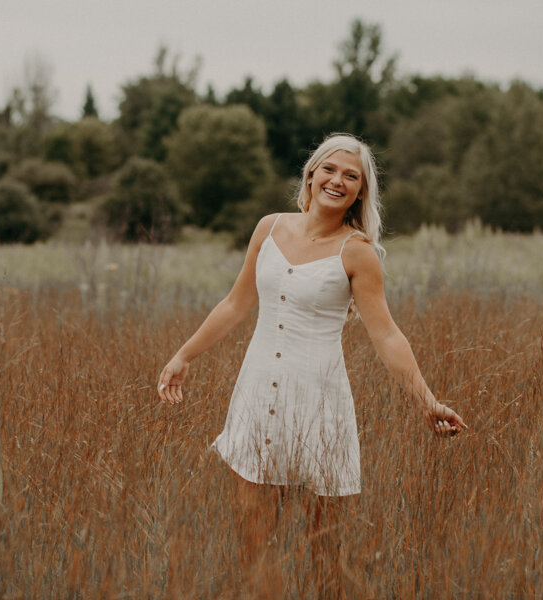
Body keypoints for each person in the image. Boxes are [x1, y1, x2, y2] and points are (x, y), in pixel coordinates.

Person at [157, 133, 467, 596]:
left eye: (351, 176)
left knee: (324, 558)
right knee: (254, 550)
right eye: (330, 169)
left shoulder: (357, 252)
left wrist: (426, 401)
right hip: (257, 397)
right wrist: (183, 355)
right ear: (311, 173)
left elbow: (385, 333)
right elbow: (235, 304)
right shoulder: (269, 228)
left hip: (319, 405)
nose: (337, 180)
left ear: (361, 192)